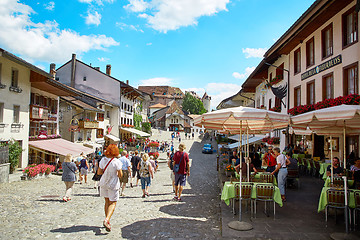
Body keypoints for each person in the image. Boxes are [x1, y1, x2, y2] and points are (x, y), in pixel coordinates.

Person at [97, 144, 123, 232]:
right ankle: (107, 219)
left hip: (103, 183)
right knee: (113, 202)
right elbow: (120, 175)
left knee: (107, 201)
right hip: (113, 184)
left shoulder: (103, 160)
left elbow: (99, 172)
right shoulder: (117, 162)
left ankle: (107, 220)